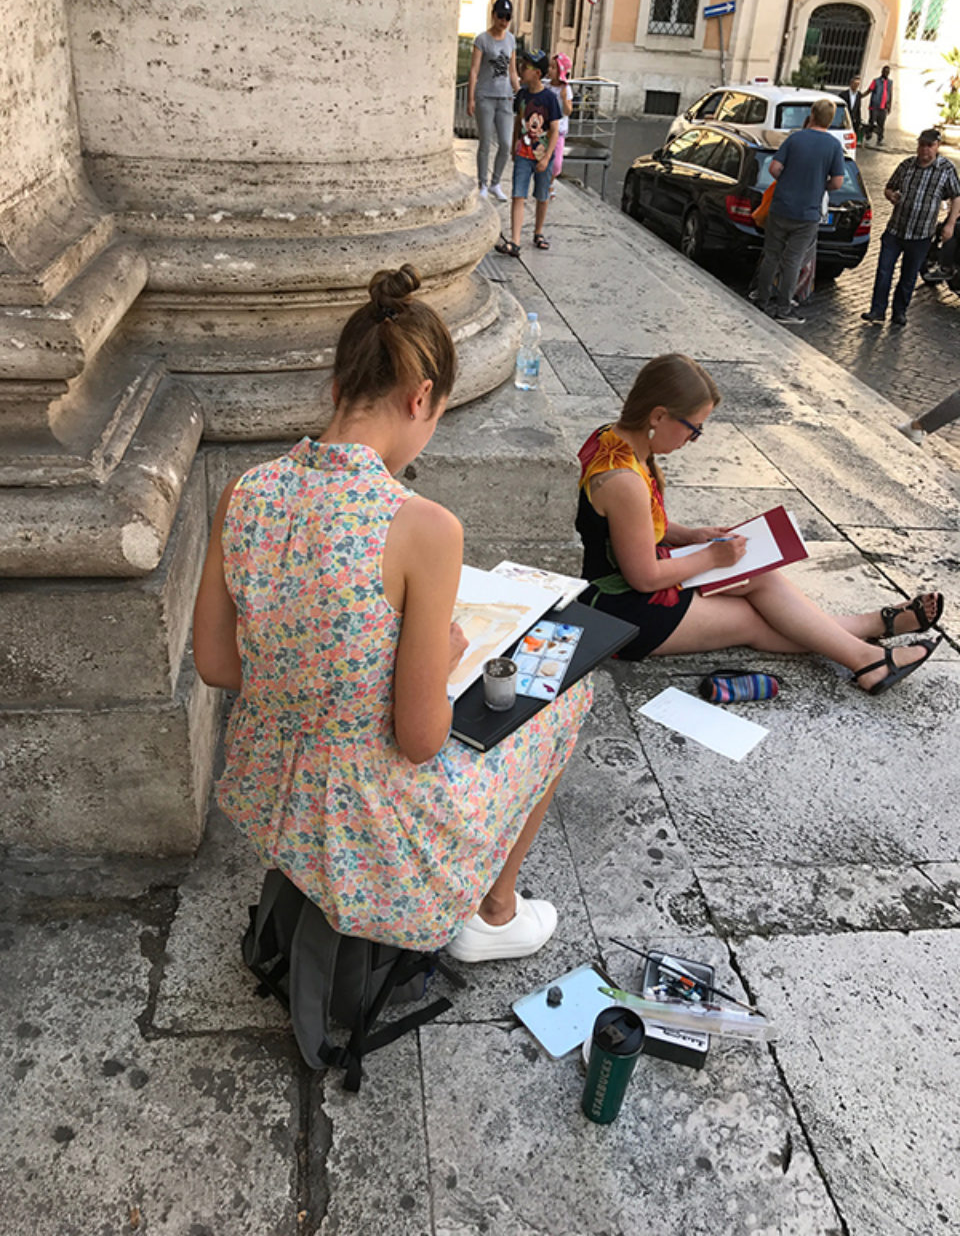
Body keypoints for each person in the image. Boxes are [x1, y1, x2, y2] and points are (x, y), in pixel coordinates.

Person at [193, 264, 591, 963]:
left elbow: (220, 664)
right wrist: (444, 649)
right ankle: (493, 912)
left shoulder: (244, 493)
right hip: (378, 821)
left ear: (339, 388)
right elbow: (418, 740)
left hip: (271, 791)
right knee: (568, 695)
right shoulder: (421, 526)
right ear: (422, 399)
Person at [574, 353, 941, 695]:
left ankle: (872, 633)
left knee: (759, 578)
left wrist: (692, 536)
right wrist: (713, 559)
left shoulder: (612, 437)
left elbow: (629, 526)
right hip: (618, 610)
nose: (693, 440)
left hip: (628, 586)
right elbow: (645, 577)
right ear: (658, 416)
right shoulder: (624, 481)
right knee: (751, 618)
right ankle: (870, 653)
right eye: (693, 429)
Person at [754, 97, 844, 325]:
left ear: (812, 114)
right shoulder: (833, 146)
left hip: (781, 206)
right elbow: (837, 183)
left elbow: (774, 168)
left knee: (771, 255)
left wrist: (787, 180)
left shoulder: (795, 139)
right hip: (807, 213)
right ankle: (783, 308)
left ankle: (761, 300)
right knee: (793, 261)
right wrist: (818, 185)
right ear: (830, 120)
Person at [860, 128, 960, 328]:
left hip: (921, 234)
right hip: (896, 230)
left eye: (929, 146)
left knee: (908, 275)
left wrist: (950, 224)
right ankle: (877, 310)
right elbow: (889, 187)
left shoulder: (946, 170)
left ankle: (899, 313)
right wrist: (891, 196)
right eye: (922, 145)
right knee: (883, 271)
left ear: (937, 147)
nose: (925, 150)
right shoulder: (907, 165)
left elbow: (956, 196)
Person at [495, 49, 561, 257]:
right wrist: (515, 143)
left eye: (526, 67)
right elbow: (519, 119)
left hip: (542, 155)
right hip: (523, 152)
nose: (521, 70)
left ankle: (538, 231)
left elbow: (554, 130)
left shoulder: (549, 99)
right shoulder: (522, 95)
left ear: (538, 74)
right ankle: (515, 241)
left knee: (542, 196)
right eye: (521, 65)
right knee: (518, 194)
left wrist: (548, 157)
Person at [467, 0, 519, 202]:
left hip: (505, 97)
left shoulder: (511, 40)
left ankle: (496, 182)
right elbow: (474, 70)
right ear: (493, 15)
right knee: (485, 142)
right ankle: (483, 183)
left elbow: (513, 71)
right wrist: (470, 98)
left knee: (506, 143)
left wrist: (520, 93)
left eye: (507, 17)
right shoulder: (482, 40)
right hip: (485, 96)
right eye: (500, 16)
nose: (504, 21)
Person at [546, 53, 574, 199]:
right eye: (550, 67)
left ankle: (550, 182)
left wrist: (563, 99)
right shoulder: (546, 87)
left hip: (559, 131)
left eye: (554, 68)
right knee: (543, 158)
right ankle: (544, 184)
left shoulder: (566, 89)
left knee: (556, 164)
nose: (550, 70)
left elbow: (568, 111)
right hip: (545, 131)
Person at [864, 66, 894, 145]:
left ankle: (880, 139)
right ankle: (868, 136)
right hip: (874, 106)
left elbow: (890, 94)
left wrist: (889, 106)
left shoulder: (890, 82)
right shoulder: (876, 81)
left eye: (888, 72)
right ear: (882, 72)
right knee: (871, 122)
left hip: (883, 107)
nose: (886, 73)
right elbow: (869, 90)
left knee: (881, 124)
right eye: (885, 71)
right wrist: (861, 96)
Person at [838, 75, 863, 142]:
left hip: (853, 119)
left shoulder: (859, 95)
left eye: (858, 84)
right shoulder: (843, 94)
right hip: (844, 118)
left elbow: (858, 108)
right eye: (855, 84)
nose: (856, 86)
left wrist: (859, 120)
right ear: (851, 83)